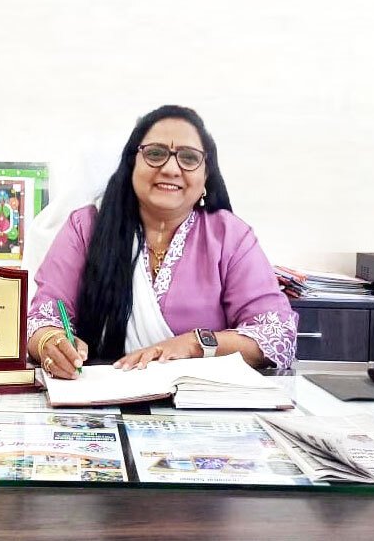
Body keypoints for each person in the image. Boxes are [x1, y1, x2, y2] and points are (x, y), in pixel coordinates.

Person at [26, 105, 298, 379]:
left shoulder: (230, 237)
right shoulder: (86, 227)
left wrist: (193, 344)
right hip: (99, 396)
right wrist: (51, 342)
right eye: (155, 154)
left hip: (199, 398)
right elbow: (42, 318)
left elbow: (275, 334)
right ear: (131, 164)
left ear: (206, 176)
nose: (170, 169)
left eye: (189, 158)